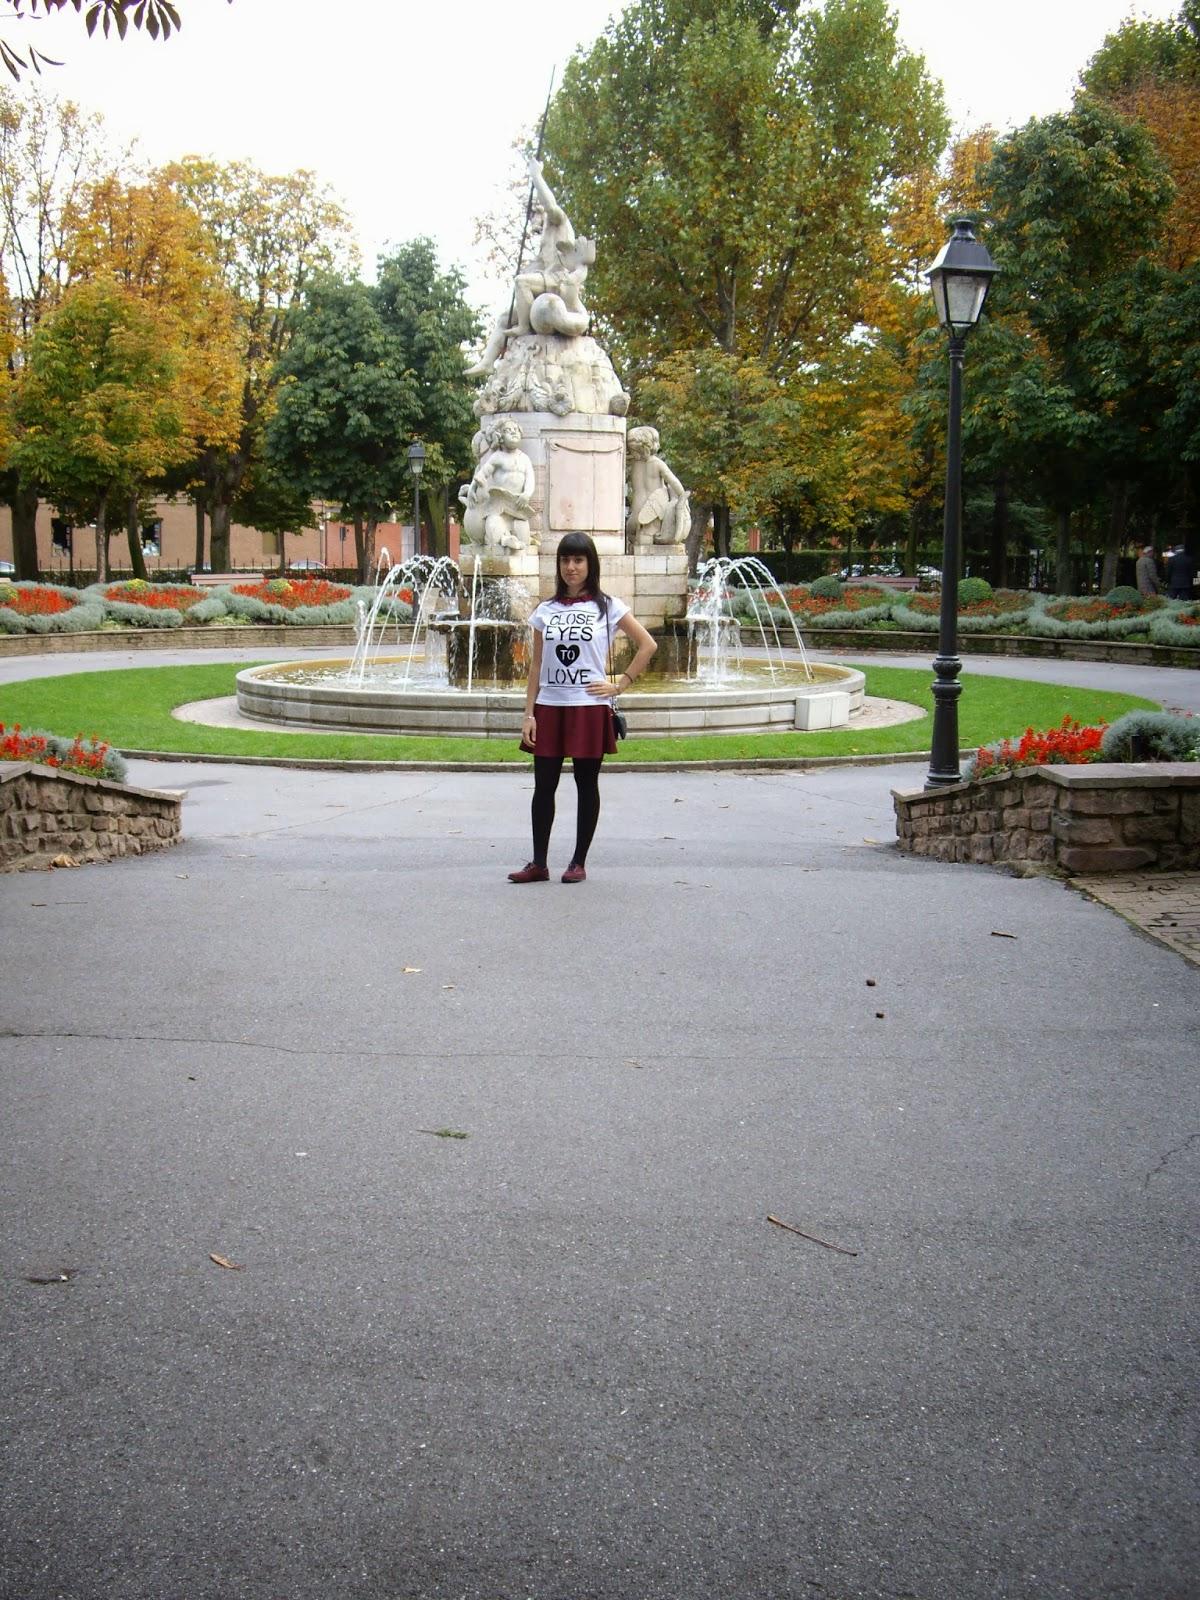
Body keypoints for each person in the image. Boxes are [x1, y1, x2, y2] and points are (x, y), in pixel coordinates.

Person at [509, 532, 657, 884]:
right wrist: (528, 714)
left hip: (589, 707)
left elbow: (647, 644)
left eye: (578, 560)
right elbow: (535, 666)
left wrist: (620, 683)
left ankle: (578, 862)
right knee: (543, 785)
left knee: (585, 783)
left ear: (590, 564)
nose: (571, 567)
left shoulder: (607, 607)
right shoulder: (545, 610)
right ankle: (539, 863)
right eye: (565, 560)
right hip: (549, 706)